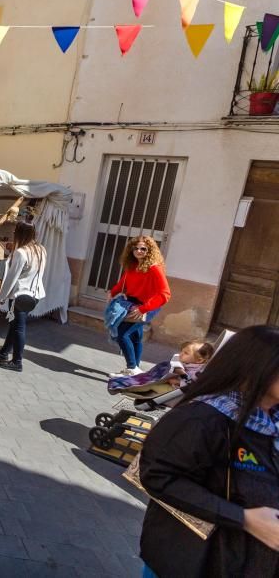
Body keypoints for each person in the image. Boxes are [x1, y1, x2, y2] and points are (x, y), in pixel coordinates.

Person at [138, 325, 279, 578]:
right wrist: (244, 518)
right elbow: (158, 476)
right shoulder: (202, 418)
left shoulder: (274, 421)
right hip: (194, 561)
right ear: (256, 366)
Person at [109, 236, 171, 376]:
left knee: (122, 334)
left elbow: (165, 294)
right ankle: (135, 370)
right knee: (136, 337)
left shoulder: (154, 268)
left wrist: (143, 309)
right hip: (133, 302)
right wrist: (112, 293)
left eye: (143, 248)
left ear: (150, 251)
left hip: (146, 306)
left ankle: (131, 367)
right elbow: (123, 283)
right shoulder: (133, 265)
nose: (138, 251)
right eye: (135, 248)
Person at [0, 220, 47, 373]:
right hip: (35, 294)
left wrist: (1, 298)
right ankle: (4, 353)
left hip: (22, 294)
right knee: (15, 324)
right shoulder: (41, 249)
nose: (13, 234)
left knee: (19, 328)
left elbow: (12, 277)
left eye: (15, 231)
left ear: (19, 233)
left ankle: (17, 361)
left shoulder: (21, 252)